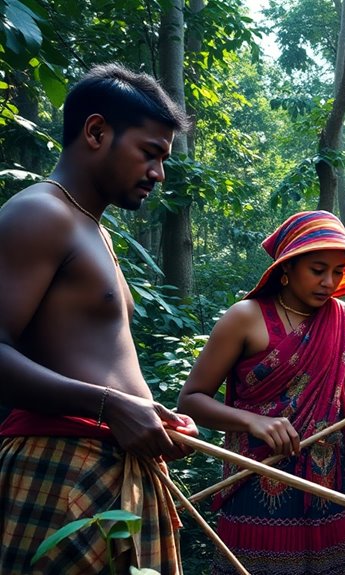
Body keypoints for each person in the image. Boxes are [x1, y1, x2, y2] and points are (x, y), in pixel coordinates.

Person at [0, 64, 195, 574]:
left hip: (109, 475)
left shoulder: (93, 231)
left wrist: (152, 419)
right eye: (149, 153)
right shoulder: (41, 214)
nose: (159, 173)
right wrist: (111, 408)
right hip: (58, 471)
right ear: (95, 132)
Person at [178, 210, 345, 575]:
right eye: (317, 269)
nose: (329, 282)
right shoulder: (245, 317)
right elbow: (191, 400)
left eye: (337, 271)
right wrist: (253, 421)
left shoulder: (344, 319)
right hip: (258, 479)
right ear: (287, 267)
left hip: (329, 486)